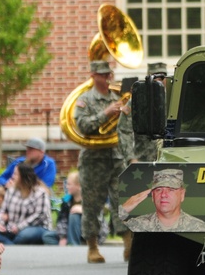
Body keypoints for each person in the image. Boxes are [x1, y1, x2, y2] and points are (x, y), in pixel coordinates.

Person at [74, 60, 129, 263]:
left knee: (122, 201)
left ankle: (128, 244)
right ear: (93, 76)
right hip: (93, 159)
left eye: (109, 74)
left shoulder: (117, 98)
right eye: (103, 75)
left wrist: (125, 114)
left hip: (115, 156)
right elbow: (83, 126)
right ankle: (92, 247)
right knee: (92, 205)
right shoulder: (84, 100)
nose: (107, 78)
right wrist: (106, 114)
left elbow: (125, 129)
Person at [0, 137, 56, 227]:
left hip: (27, 195)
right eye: (27, 148)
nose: (27, 151)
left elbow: (45, 186)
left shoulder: (48, 164)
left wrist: (18, 186)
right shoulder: (20, 161)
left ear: (41, 152)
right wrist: (6, 183)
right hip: (7, 190)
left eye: (31, 149)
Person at [119, 168, 205, 233]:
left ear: (182, 194)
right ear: (153, 196)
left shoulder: (198, 228)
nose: (163, 195)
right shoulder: (137, 226)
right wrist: (123, 209)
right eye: (158, 190)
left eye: (171, 189)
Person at [0, 163, 58, 245]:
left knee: (24, 235)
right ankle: (13, 245)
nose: (12, 176)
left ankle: (10, 245)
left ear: (23, 177)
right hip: (11, 228)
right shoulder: (10, 191)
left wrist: (19, 227)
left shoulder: (40, 193)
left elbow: (39, 215)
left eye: (15, 174)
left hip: (36, 227)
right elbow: (2, 211)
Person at [118, 62, 166, 166]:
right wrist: (131, 158)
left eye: (162, 77)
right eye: (155, 77)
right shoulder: (138, 99)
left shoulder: (172, 98)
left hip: (168, 160)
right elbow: (124, 130)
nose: (159, 81)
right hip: (143, 161)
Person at [55, 170, 86, 246]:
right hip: (69, 232)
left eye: (69, 184)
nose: (66, 186)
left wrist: (84, 211)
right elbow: (62, 220)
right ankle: (69, 244)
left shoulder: (89, 199)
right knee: (48, 236)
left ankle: (74, 246)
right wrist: (63, 237)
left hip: (88, 234)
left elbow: (97, 219)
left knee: (74, 215)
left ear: (78, 186)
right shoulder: (66, 200)